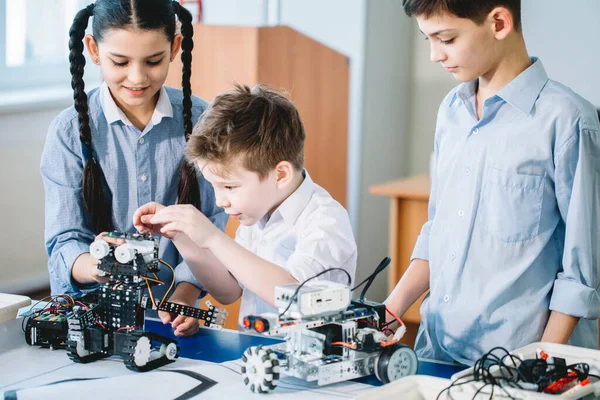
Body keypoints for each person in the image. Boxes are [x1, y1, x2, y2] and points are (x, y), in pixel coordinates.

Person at [385, 0, 600, 365]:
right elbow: (438, 231)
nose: (435, 55)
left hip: (517, 363)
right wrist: (391, 309)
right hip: (437, 350)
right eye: (428, 40)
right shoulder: (451, 112)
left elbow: (582, 273)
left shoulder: (569, 121)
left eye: (446, 39)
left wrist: (538, 365)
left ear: (499, 22)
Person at [40, 0, 227, 337]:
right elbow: (64, 239)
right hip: (91, 316)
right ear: (94, 50)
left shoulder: (203, 121)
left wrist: (185, 294)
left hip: (169, 320)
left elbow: (213, 224)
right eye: (120, 62)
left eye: (153, 61)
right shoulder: (68, 132)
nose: (138, 77)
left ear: (174, 48)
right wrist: (98, 266)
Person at [133, 84, 357, 328]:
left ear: (280, 175)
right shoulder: (258, 212)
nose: (220, 200)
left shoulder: (325, 221)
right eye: (214, 186)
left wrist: (213, 238)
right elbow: (228, 291)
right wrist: (180, 235)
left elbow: (297, 299)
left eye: (229, 187)